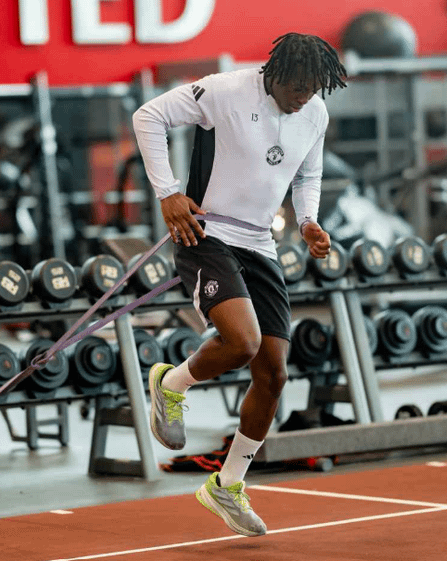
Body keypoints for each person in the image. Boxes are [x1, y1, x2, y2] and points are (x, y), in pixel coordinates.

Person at [131, 32, 347, 537]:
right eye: (297, 86)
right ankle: (172, 383)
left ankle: (226, 486)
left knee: (273, 375)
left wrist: (309, 220)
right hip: (206, 230)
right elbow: (149, 117)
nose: (303, 97)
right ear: (275, 73)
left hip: (260, 242)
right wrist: (168, 194)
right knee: (243, 342)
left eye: (313, 89)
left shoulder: (315, 113)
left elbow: (306, 176)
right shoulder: (225, 91)